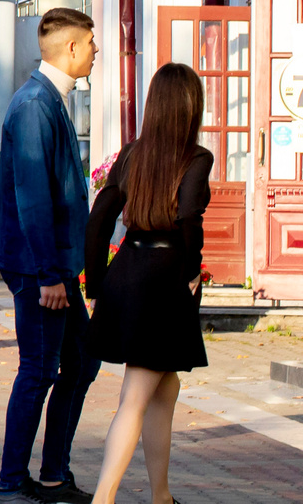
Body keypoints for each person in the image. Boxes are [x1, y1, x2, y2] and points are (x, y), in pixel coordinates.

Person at [0, 7, 102, 504]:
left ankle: (53, 473)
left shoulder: (51, 98)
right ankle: (12, 482)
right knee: (39, 368)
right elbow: (33, 195)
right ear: (71, 48)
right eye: (92, 43)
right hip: (41, 267)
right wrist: (51, 275)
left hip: (54, 265)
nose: (97, 51)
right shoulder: (36, 103)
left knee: (80, 359)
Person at [83, 64, 212, 504]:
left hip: (128, 271)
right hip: (164, 277)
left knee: (165, 386)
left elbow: (99, 219)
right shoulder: (195, 157)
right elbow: (188, 220)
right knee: (135, 396)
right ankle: (105, 498)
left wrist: (98, 284)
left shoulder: (133, 152)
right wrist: (193, 269)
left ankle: (162, 496)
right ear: (191, 107)